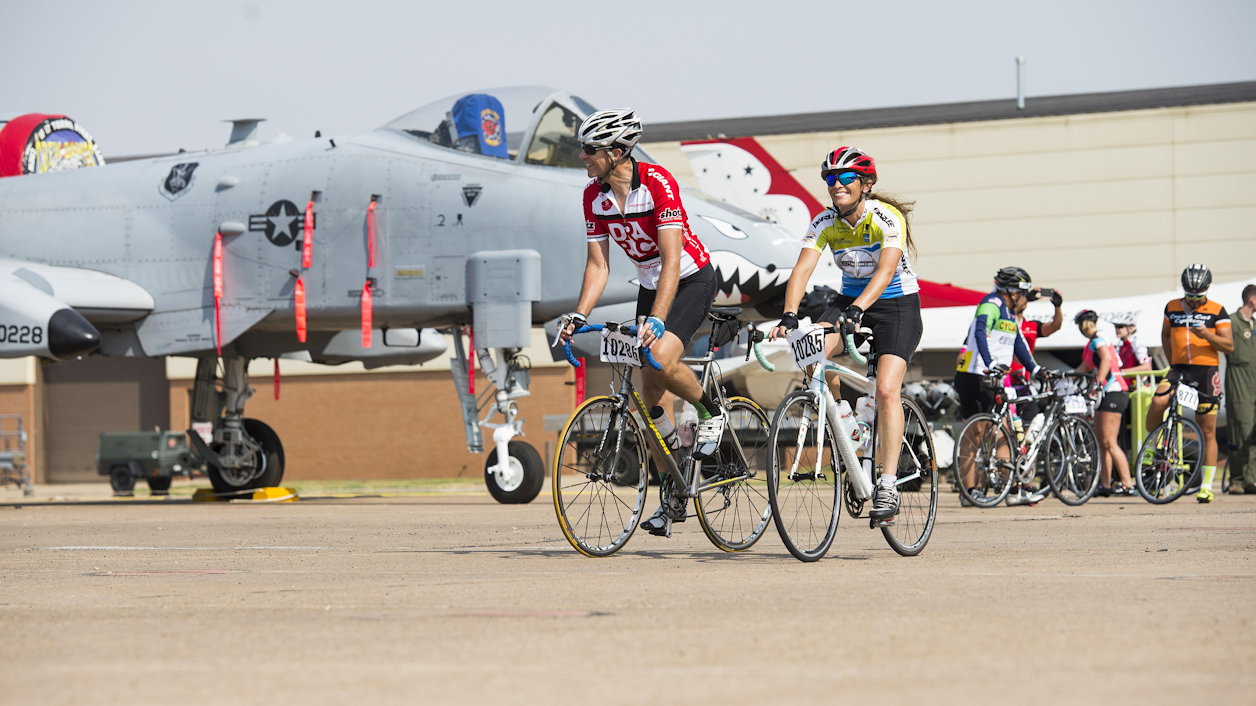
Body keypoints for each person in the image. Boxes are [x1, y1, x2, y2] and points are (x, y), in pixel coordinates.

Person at [558, 109, 721, 537]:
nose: (583, 157)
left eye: (590, 150)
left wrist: (658, 320)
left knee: (661, 356)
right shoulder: (593, 197)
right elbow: (598, 266)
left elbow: (671, 260)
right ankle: (674, 487)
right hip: (651, 284)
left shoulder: (658, 183)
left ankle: (711, 411)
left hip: (689, 277)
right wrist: (579, 314)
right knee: (648, 396)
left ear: (616, 152)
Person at [767, 146, 922, 525]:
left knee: (886, 389)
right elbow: (802, 270)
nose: (836, 185)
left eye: (846, 178)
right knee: (810, 349)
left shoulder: (887, 217)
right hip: (849, 299)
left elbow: (885, 272)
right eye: (830, 179)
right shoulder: (823, 223)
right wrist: (789, 315)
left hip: (895, 305)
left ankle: (887, 483)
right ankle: (847, 423)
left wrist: (858, 310)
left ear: (865, 184)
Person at [953, 267, 1047, 505]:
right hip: (975, 374)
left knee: (1003, 432)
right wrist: (990, 362)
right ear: (1015, 293)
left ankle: (1012, 490)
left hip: (993, 377)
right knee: (976, 435)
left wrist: (1036, 369)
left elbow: (1018, 344)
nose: (1027, 297)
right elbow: (982, 332)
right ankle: (969, 490)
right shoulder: (991, 303)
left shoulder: (1008, 311)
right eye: (1025, 293)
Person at [1144, 264, 1234, 503]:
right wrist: (1172, 359)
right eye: (1189, 295)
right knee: (1157, 401)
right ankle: (1154, 444)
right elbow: (1165, 334)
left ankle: (1206, 486)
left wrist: (1208, 335)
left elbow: (1229, 346)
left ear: (1207, 290)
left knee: (1207, 431)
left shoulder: (1217, 311)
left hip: (1206, 371)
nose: (1194, 300)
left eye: (1199, 296)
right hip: (1180, 368)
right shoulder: (1172, 307)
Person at [1074, 310, 1135, 496]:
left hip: (1114, 391)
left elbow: (1107, 359)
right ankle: (1105, 484)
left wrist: (1098, 384)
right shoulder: (1090, 344)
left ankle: (1127, 483)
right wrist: (1064, 381)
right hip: (1105, 393)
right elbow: (1083, 368)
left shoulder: (1098, 338)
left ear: (1082, 326)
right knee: (1102, 442)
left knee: (1110, 441)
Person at [1223, 284, 1256, 495]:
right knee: (1239, 429)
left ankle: (1250, 479)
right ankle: (1236, 479)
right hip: (1238, 381)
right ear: (1252, 300)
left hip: (1254, 381)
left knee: (1253, 432)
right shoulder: (1232, 322)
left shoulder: (1253, 324)